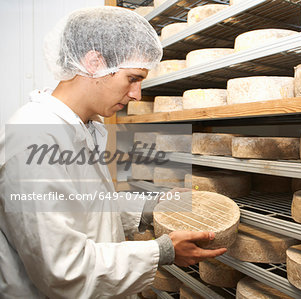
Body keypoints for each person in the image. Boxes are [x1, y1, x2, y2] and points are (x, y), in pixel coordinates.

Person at [0, 6, 226, 298]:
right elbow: (62, 269)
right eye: (132, 78)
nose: (137, 94)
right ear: (94, 62)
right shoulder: (35, 137)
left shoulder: (83, 126)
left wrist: (150, 208)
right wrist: (161, 252)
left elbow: (85, 207)